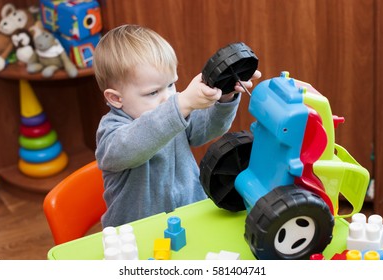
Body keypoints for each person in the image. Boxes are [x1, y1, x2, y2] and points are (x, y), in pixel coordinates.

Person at [93, 24, 260, 227]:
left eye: (171, 85)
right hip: (137, 233)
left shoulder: (174, 111)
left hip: (189, 218)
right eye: (153, 93)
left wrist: (224, 98)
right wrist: (181, 105)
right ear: (115, 98)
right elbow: (132, 145)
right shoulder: (111, 132)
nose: (168, 98)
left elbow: (208, 128)